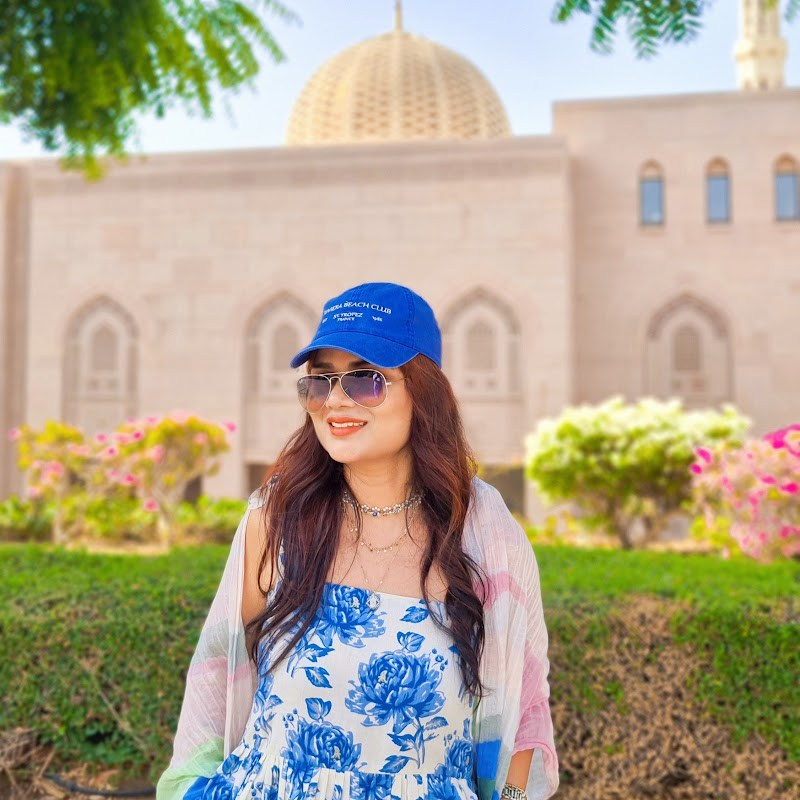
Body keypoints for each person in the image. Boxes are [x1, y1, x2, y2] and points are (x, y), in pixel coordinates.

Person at [156, 282, 558, 800]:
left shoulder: (481, 533)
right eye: (319, 381)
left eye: (366, 380)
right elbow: (214, 681)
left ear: (424, 392)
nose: (335, 401)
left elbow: (524, 711)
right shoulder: (277, 519)